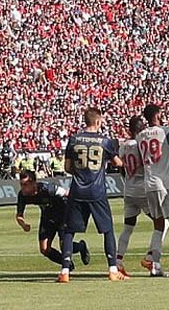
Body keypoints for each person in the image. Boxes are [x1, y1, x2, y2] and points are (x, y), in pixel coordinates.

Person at [60, 107, 127, 283]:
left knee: (69, 231)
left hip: (77, 190)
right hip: (97, 191)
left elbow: (67, 168)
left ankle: (65, 271)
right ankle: (112, 269)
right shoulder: (105, 141)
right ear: (97, 121)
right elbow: (118, 163)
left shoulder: (74, 139)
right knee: (107, 230)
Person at [137, 103, 169, 277]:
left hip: (149, 184)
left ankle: (156, 266)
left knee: (158, 226)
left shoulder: (140, 136)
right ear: (158, 114)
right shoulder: (166, 131)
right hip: (165, 182)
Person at [15, 169, 90, 269]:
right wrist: (23, 224)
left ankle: (81, 246)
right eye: (21, 184)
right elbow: (19, 215)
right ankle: (67, 263)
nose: (23, 188)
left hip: (63, 215)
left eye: (25, 185)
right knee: (44, 249)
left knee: (64, 246)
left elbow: (67, 194)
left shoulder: (47, 189)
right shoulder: (22, 195)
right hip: (47, 217)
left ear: (33, 183)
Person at [115, 115, 156, 277]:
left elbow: (122, 170)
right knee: (163, 223)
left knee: (128, 227)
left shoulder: (123, 146)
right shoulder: (141, 145)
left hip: (129, 190)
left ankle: (118, 261)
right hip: (143, 190)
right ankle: (150, 257)